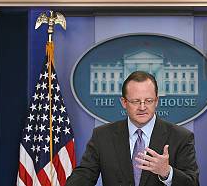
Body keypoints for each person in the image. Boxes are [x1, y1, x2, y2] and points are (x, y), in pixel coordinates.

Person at [66, 71, 199, 186]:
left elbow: (193, 183)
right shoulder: (102, 136)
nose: (142, 107)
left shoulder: (180, 137)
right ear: (124, 102)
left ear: (157, 101)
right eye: (136, 101)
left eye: (148, 101)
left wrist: (167, 172)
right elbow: (84, 175)